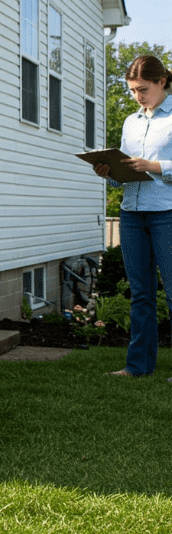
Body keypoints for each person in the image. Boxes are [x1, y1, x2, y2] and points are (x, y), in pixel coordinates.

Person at [92, 55, 172, 379]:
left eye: (143, 89)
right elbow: (125, 172)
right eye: (133, 90)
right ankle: (138, 366)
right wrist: (109, 172)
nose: (137, 96)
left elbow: (150, 167)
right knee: (141, 294)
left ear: (162, 83)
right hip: (131, 214)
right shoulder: (131, 122)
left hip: (166, 213)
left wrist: (152, 166)